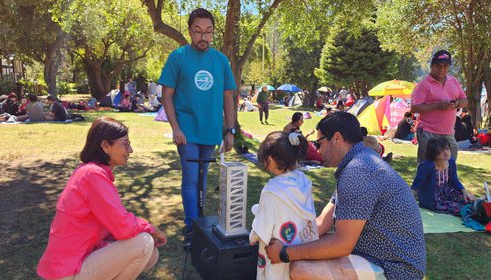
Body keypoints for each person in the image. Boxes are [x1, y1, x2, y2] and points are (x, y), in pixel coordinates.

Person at [265, 112, 426, 280]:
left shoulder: (358, 170)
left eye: (318, 143)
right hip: (381, 259)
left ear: (336, 138)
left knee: (302, 268)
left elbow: (342, 245)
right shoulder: (358, 162)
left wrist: (285, 253)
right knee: (310, 248)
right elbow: (321, 223)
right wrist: (285, 240)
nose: (318, 150)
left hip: (396, 271)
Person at [37, 117, 167, 280]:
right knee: (144, 243)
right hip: (68, 271)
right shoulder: (92, 175)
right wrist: (151, 228)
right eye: (125, 144)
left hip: (77, 260)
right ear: (106, 146)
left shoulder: (89, 171)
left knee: (151, 254)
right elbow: (123, 226)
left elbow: (114, 226)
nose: (130, 150)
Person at [158, 8, 236, 249]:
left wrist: (230, 130)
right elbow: (166, 96)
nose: (204, 37)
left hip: (210, 132)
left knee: (203, 179)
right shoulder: (178, 57)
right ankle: (191, 227)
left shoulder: (221, 61)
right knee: (191, 178)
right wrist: (176, 128)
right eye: (198, 31)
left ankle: (199, 223)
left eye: (209, 32)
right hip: (187, 132)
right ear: (190, 31)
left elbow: (228, 97)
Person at [250, 131, 318, 279]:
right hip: (302, 249)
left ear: (271, 159)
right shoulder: (303, 181)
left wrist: (253, 237)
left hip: (277, 253)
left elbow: (262, 225)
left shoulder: (272, 190)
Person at [411, 50, 468, 163]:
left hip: (448, 132)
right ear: (431, 66)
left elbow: (465, 101)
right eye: (438, 66)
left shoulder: (454, 81)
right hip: (428, 132)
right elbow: (415, 108)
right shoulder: (423, 85)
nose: (442, 69)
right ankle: (425, 182)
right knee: (426, 167)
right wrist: (436, 105)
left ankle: (446, 181)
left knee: (450, 164)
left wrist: (456, 104)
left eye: (445, 66)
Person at [411, 137, 475, 215]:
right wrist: (408, 201)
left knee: (468, 200)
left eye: (447, 149)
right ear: (433, 153)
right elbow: (416, 185)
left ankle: (480, 208)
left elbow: (455, 181)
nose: (446, 153)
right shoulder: (427, 165)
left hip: (447, 192)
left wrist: (464, 191)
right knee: (460, 208)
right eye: (441, 151)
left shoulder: (450, 161)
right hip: (433, 198)